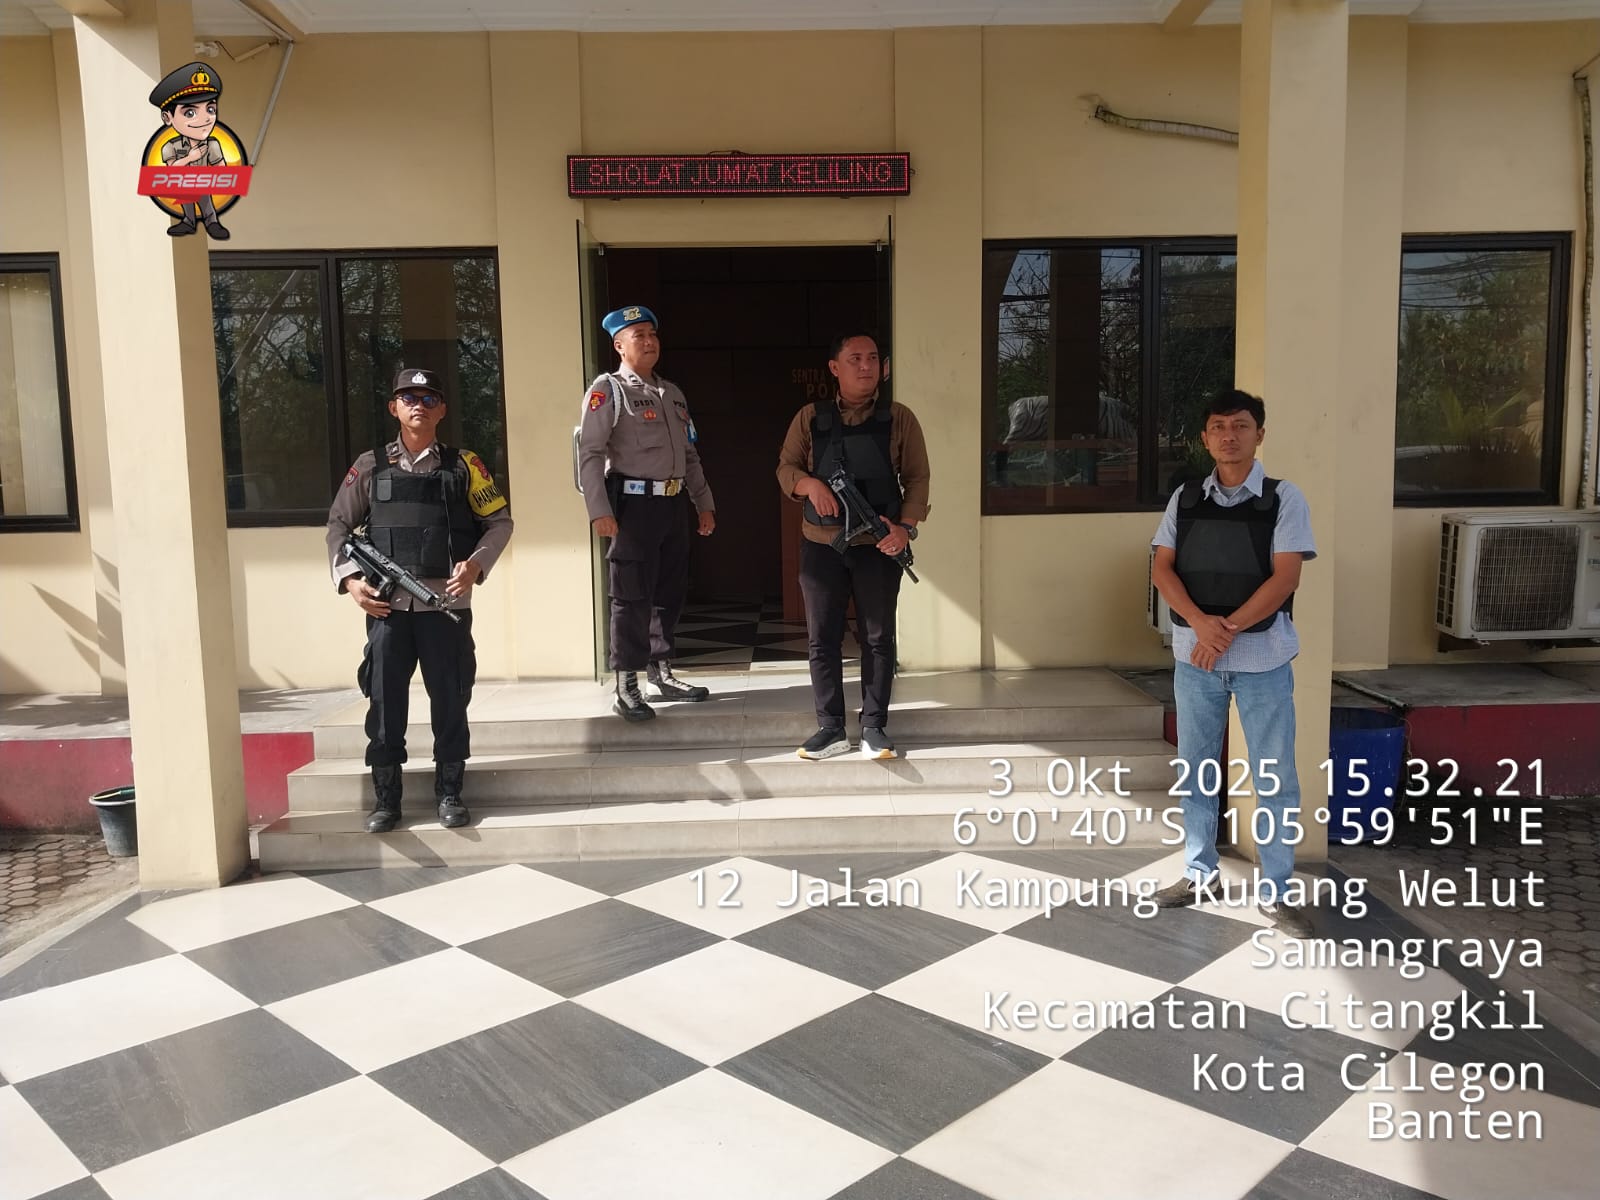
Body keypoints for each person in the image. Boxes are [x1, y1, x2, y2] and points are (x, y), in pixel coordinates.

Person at [1149, 389, 1317, 938]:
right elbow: (1162, 569)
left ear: (1259, 434)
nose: (1229, 435)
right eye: (1218, 426)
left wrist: (1223, 631)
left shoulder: (1284, 498)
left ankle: (1277, 891)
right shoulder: (1185, 498)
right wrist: (1201, 624)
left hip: (1263, 660)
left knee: (1274, 777)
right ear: (1205, 438)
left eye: (1241, 425)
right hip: (1195, 660)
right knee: (1197, 770)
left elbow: (1285, 578)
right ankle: (1200, 873)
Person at [326, 367, 513, 832]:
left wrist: (475, 565)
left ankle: (449, 792)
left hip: (444, 607)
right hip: (387, 607)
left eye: (429, 399)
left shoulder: (464, 465)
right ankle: (386, 800)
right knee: (385, 702)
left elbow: (499, 522)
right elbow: (339, 527)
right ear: (394, 408)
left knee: (450, 698)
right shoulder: (370, 465)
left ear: (442, 409)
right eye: (409, 398)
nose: (419, 406)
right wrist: (352, 582)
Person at [776, 332, 930, 760]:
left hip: (879, 546)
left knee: (878, 637)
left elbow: (917, 478)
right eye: (855, 358)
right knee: (822, 639)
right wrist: (810, 485)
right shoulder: (810, 417)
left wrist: (905, 528)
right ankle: (830, 728)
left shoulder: (898, 418)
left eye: (873, 358)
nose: (866, 366)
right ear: (834, 367)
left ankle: (874, 727)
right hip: (822, 544)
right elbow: (786, 467)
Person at [577, 305, 716, 721]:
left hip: (671, 504)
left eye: (652, 334)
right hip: (632, 507)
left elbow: (689, 456)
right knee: (631, 596)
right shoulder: (609, 390)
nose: (649, 341)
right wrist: (599, 510)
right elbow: (590, 453)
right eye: (638, 335)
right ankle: (626, 684)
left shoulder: (672, 393)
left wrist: (704, 503)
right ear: (619, 345)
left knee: (669, 592)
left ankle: (661, 672)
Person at [148, 62, 231, 239]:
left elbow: (222, 170)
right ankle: (188, 221)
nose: (205, 119)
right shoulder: (170, 146)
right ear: (167, 117)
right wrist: (189, 158)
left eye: (210, 109)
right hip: (183, 184)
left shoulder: (212, 144)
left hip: (204, 183)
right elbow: (171, 172)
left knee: (202, 192)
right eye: (190, 113)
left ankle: (211, 222)